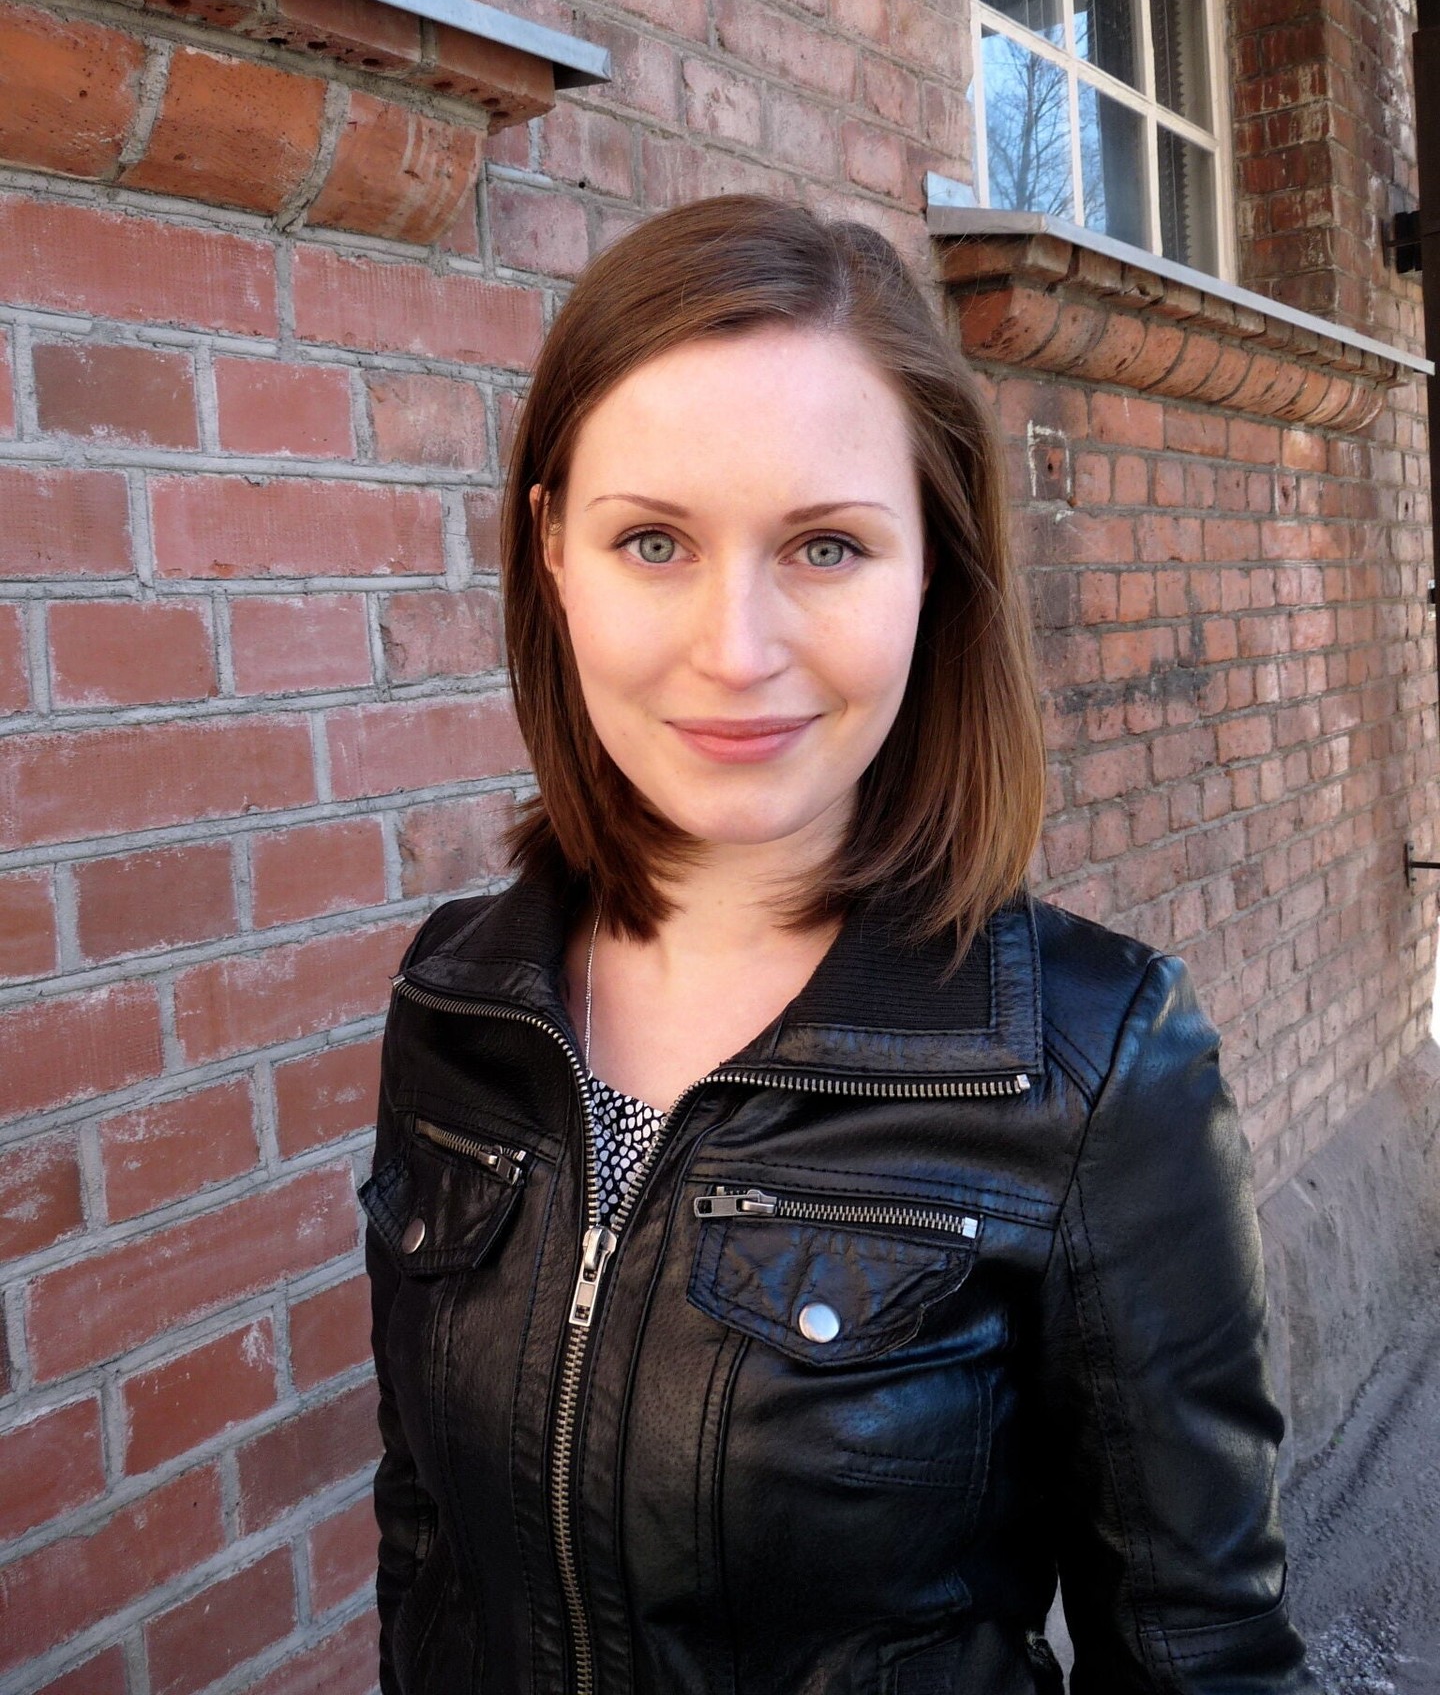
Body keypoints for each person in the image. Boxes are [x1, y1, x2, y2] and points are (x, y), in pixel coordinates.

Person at [362, 193, 1315, 1694]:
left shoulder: (1093, 1067)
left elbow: (1204, 1656)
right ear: (551, 550)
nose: (735, 651)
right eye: (653, 541)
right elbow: (424, 1535)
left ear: (933, 563)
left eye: (824, 546)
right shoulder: (461, 1002)